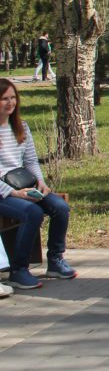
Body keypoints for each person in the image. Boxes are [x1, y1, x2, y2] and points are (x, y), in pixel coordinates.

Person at [0, 79, 76, 289]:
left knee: (60, 207)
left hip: (24, 184)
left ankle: (55, 260)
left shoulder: (20, 126)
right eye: (4, 98)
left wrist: (41, 182)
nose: (10, 102)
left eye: (13, 97)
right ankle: (19, 270)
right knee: (31, 213)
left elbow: (31, 160)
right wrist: (15, 194)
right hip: (4, 192)